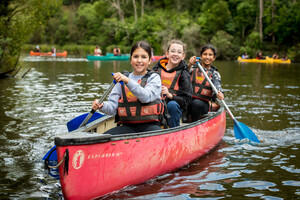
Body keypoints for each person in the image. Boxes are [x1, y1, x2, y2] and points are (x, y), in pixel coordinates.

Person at [92, 41, 164, 135]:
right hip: (127, 126)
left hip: (151, 125)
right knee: (104, 138)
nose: (139, 60)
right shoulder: (121, 79)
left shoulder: (154, 78)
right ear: (131, 60)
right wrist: (102, 106)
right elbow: (112, 108)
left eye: (143, 57)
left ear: (149, 60)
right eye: (135, 57)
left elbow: (146, 97)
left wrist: (128, 81)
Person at [152, 39, 192, 128]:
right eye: (173, 51)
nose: (175, 54)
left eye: (179, 52)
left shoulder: (184, 74)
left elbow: (186, 102)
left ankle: (173, 130)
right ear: (167, 54)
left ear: (183, 56)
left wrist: (170, 95)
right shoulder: (155, 70)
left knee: (172, 105)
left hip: (173, 109)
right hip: (156, 105)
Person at [187, 44, 224, 122]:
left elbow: (217, 86)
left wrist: (219, 93)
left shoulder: (214, 74)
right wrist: (190, 64)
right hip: (188, 101)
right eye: (205, 54)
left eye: (210, 55)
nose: (207, 57)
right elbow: (183, 74)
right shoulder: (192, 68)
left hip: (202, 104)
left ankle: (193, 124)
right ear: (200, 56)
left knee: (196, 103)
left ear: (214, 58)